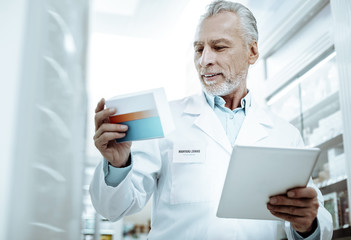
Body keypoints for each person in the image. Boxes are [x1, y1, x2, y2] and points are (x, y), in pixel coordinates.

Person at [90, 1, 333, 239]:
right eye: (199, 48)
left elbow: (311, 216)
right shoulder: (166, 120)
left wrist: (308, 225)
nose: (204, 60)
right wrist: (118, 167)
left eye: (218, 47)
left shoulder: (284, 134)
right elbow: (113, 209)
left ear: (252, 51)